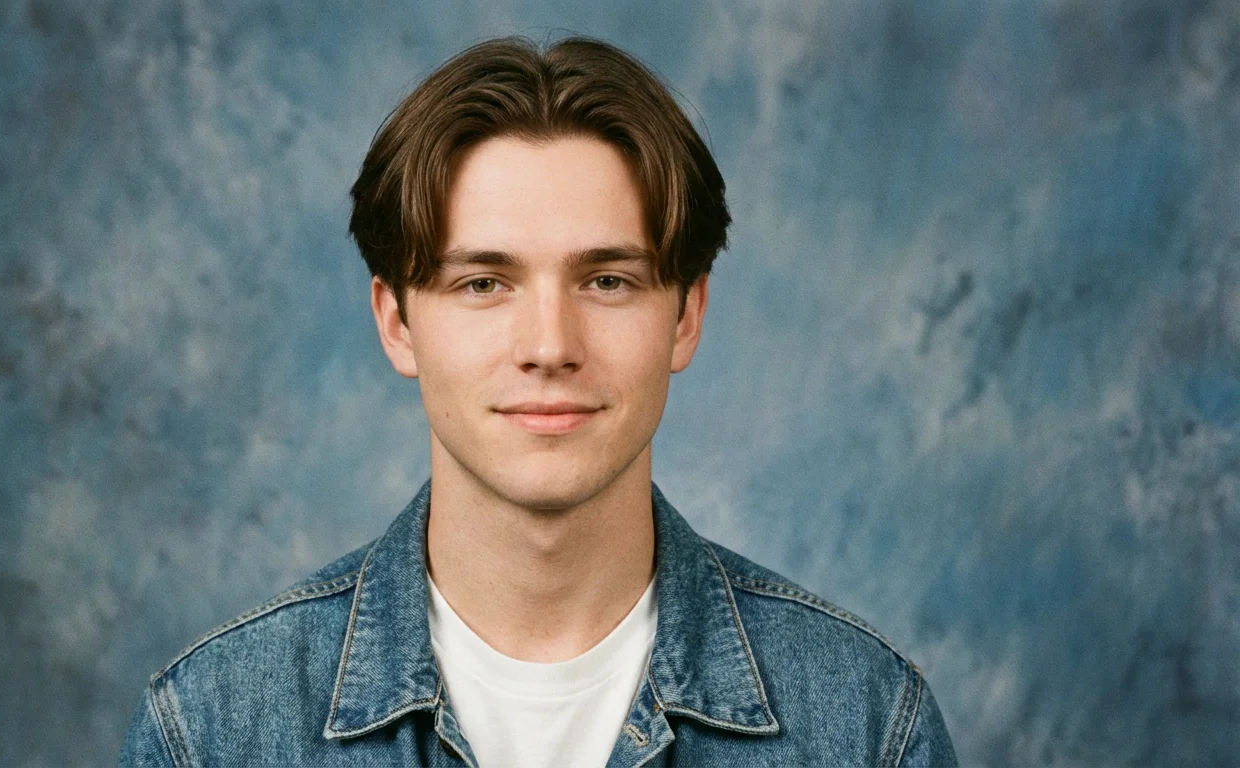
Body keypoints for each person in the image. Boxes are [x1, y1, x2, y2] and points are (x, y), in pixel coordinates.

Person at [118, 35, 957, 767]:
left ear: (686, 316)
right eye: (484, 282)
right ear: (397, 322)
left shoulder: (870, 723)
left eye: (607, 280)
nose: (550, 346)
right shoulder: (212, 729)